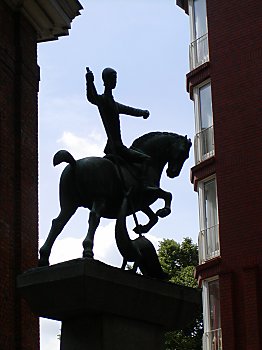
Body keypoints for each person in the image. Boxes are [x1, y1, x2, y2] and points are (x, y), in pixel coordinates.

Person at [85, 67, 151, 164]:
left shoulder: (113, 104)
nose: (115, 81)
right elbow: (92, 97)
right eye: (113, 78)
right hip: (116, 146)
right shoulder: (104, 101)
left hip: (116, 146)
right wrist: (89, 82)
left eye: (116, 78)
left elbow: (130, 110)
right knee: (147, 160)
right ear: (106, 80)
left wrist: (142, 112)